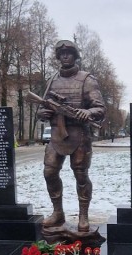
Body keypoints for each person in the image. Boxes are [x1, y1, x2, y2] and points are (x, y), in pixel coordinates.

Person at [36, 38, 106, 233]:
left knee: (81, 175)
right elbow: (43, 107)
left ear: (75, 56)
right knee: (49, 172)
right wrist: (42, 114)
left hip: (79, 135)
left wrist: (89, 113)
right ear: (59, 57)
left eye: (69, 53)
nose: (65, 56)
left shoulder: (86, 79)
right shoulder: (52, 81)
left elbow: (100, 108)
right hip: (57, 135)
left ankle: (83, 215)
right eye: (62, 54)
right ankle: (58, 212)